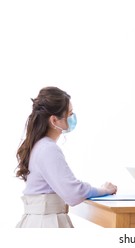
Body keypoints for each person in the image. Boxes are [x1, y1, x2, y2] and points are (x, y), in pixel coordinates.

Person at [15, 86, 117, 228]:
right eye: (70, 113)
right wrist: (104, 190)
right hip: (47, 224)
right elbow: (73, 192)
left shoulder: (38, 146)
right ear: (54, 120)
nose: (73, 117)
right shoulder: (48, 149)